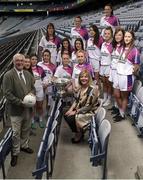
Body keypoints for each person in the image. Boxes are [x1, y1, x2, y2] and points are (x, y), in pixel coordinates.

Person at [3, 53, 35, 167]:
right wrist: (20, 103)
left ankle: (24, 145)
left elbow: (33, 88)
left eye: (22, 60)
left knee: (26, 128)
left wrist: (32, 94)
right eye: (17, 61)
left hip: (27, 109)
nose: (20, 62)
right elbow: (7, 94)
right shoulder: (8, 75)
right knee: (16, 133)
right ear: (13, 62)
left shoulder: (27, 74)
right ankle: (15, 153)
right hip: (16, 110)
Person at [64, 70, 99, 143]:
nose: (83, 78)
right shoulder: (81, 87)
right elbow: (76, 100)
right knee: (65, 112)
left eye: (86, 77)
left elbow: (88, 107)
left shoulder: (93, 89)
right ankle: (79, 131)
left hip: (90, 111)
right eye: (82, 77)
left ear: (89, 78)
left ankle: (79, 133)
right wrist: (70, 110)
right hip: (81, 108)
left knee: (71, 118)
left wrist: (75, 112)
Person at [114, 30, 140, 122]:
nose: (127, 38)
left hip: (126, 77)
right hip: (118, 74)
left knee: (124, 96)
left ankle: (122, 114)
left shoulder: (134, 50)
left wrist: (131, 72)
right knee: (116, 95)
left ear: (132, 38)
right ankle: (121, 110)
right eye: (125, 36)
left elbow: (137, 65)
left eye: (129, 37)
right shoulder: (121, 48)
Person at [108, 27, 125, 114]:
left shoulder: (124, 47)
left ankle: (121, 113)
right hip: (113, 71)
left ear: (123, 36)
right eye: (116, 35)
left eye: (120, 35)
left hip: (120, 73)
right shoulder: (114, 46)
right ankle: (116, 107)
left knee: (119, 94)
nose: (117, 36)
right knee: (115, 92)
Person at [30, 54, 47, 129]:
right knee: (32, 107)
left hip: (39, 90)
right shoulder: (27, 69)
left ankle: (40, 119)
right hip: (31, 91)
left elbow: (45, 78)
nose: (34, 61)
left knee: (40, 106)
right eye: (32, 59)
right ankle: (32, 121)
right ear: (30, 60)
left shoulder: (40, 68)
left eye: (35, 59)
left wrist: (45, 84)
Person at [100, 26, 113, 106]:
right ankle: (104, 98)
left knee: (108, 84)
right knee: (104, 83)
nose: (107, 35)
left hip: (108, 66)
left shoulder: (112, 45)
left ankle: (109, 99)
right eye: (105, 33)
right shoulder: (103, 44)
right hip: (102, 66)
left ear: (111, 35)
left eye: (108, 33)